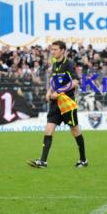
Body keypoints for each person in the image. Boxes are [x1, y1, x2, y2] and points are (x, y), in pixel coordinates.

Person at [27, 40, 88, 168]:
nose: (53, 51)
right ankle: (43, 161)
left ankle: (83, 160)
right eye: (52, 49)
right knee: (48, 129)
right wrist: (49, 91)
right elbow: (53, 80)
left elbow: (76, 81)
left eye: (55, 49)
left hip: (67, 103)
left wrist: (59, 91)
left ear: (62, 50)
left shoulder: (69, 63)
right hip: (55, 102)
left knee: (75, 131)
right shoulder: (55, 64)